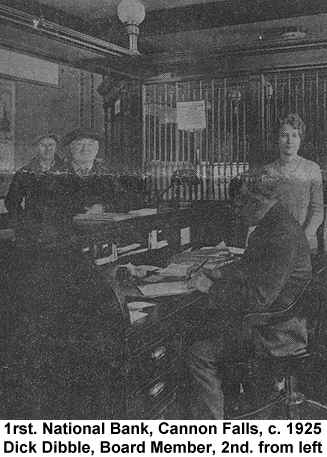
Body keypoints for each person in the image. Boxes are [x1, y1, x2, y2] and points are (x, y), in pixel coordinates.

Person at [187, 171, 312, 419]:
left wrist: (209, 287)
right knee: (206, 332)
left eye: (238, 204)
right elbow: (251, 267)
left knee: (197, 353)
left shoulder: (280, 233)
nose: (236, 211)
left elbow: (258, 298)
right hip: (275, 323)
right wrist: (219, 273)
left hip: (278, 333)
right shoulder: (274, 224)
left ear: (255, 202)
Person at [265, 113, 324, 251]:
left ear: (300, 139)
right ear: (277, 139)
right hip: (275, 244)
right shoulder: (268, 171)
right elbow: (263, 213)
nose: (289, 141)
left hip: (305, 245)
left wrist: (303, 239)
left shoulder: (312, 169)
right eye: (284, 135)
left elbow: (317, 211)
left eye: (294, 135)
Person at [58, 128, 120, 217]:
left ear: (97, 148)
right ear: (70, 147)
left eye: (90, 144)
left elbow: (121, 199)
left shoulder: (108, 173)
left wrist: (102, 207)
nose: (85, 149)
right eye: (79, 144)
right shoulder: (57, 173)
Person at [5, 134, 63, 221]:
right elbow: (11, 202)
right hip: (34, 227)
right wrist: (24, 221)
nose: (47, 149)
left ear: (56, 147)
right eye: (42, 145)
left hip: (61, 226)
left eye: (51, 145)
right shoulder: (24, 173)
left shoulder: (68, 171)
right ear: (36, 148)